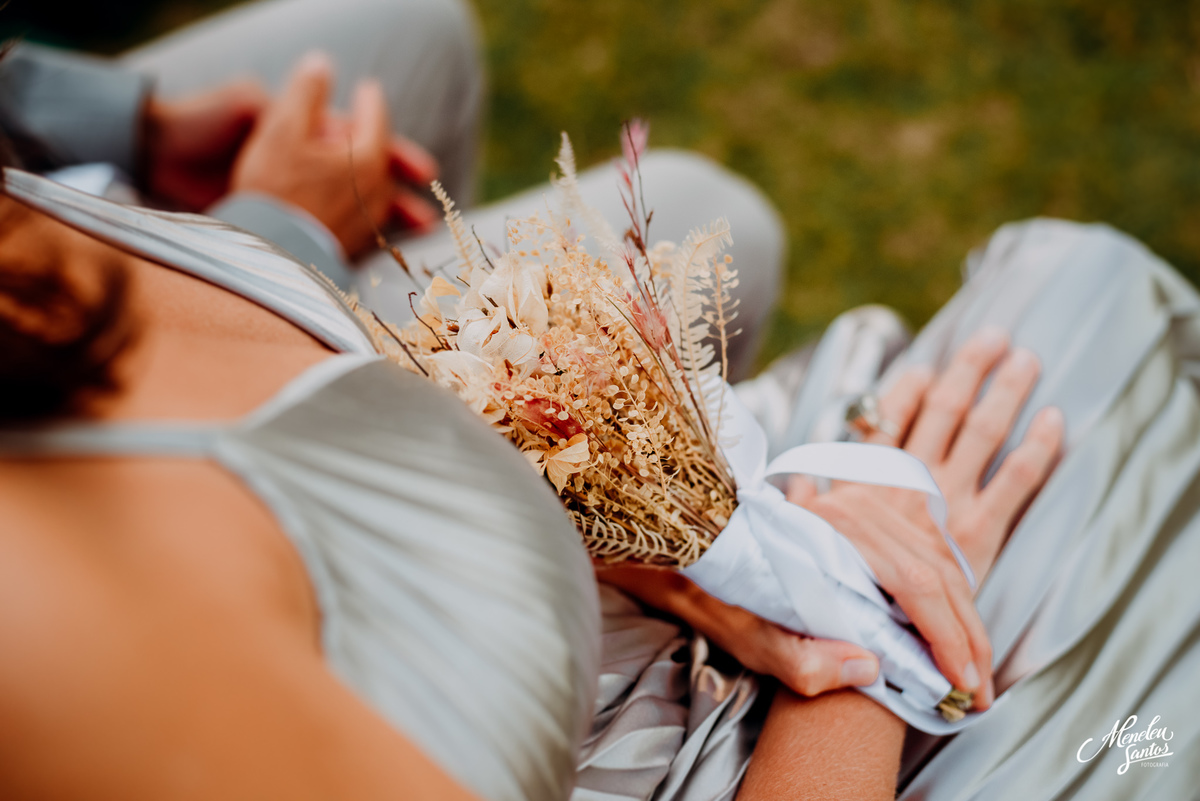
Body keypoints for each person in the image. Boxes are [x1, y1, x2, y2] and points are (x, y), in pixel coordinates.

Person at [1, 2, 1198, 800]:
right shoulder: (65, 646)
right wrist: (869, 635)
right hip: (769, 737)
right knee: (1087, 319)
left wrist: (688, 544)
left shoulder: (35, 256)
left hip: (634, 607)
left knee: (1064, 341)